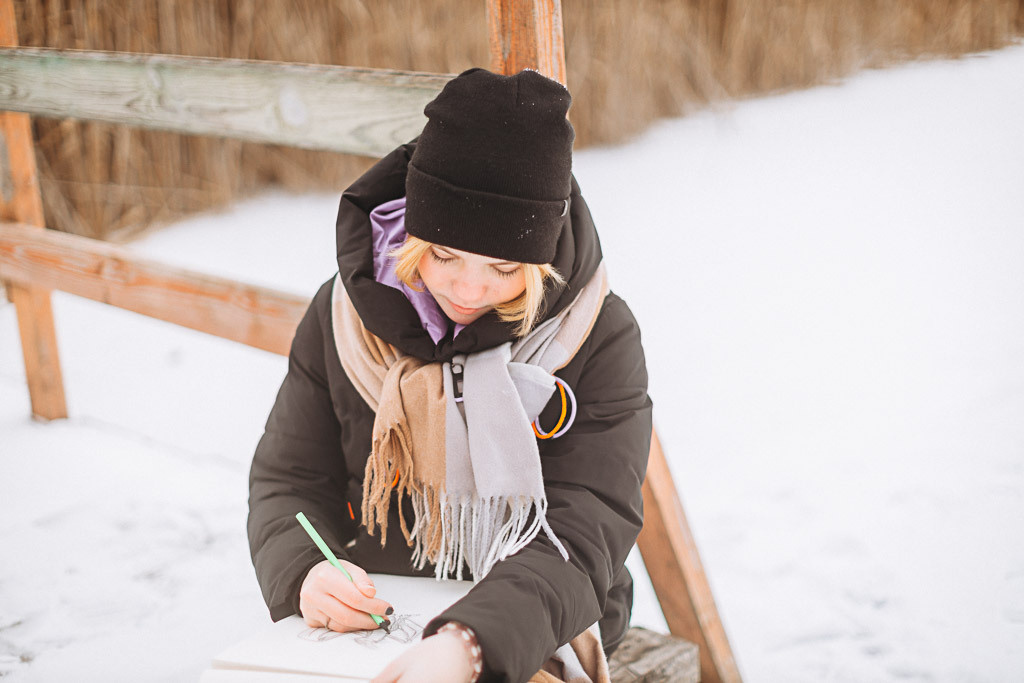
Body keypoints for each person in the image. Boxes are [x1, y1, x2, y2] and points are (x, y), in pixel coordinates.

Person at [247, 67, 653, 683]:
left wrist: (471, 641)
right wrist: (305, 569)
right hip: (385, 609)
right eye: (443, 255)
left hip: (547, 615)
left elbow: (588, 523)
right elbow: (290, 479)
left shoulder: (598, 333)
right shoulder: (342, 316)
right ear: (411, 232)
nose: (468, 289)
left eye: (503, 266)